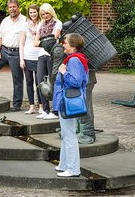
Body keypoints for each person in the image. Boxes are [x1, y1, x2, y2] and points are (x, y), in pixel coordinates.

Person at [53, 33, 88, 177]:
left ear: (73, 45)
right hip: (67, 102)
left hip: (68, 102)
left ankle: (73, 169)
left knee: (69, 136)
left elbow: (76, 81)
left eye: (65, 43)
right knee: (66, 134)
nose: (63, 45)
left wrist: (64, 72)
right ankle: (64, 164)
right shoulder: (75, 59)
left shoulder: (73, 60)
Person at [34, 3, 62, 119]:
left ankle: (55, 111)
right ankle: (45, 109)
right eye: (43, 14)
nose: (45, 15)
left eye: (46, 13)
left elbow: (54, 38)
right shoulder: (40, 24)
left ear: (51, 12)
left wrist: (42, 41)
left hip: (52, 55)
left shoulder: (58, 23)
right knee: (41, 82)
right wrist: (44, 42)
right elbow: (35, 42)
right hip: (42, 55)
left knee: (53, 81)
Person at [19, 4, 43, 114]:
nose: (32, 14)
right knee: (29, 82)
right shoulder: (25, 25)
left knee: (39, 82)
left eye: (34, 12)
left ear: (38, 12)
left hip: (39, 57)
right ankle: (32, 106)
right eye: (30, 12)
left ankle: (41, 106)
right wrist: (21, 59)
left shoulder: (42, 24)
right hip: (27, 56)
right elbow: (21, 43)